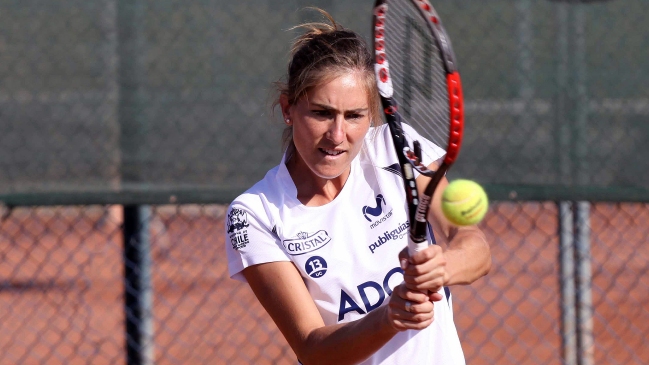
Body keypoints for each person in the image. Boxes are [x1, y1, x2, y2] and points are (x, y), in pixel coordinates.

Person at [225, 10, 491, 365]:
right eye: (321, 113)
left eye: (354, 116)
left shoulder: (396, 148)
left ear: (372, 115)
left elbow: (475, 247)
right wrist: (388, 319)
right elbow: (312, 348)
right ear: (289, 108)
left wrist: (443, 266)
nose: (337, 136)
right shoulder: (255, 213)